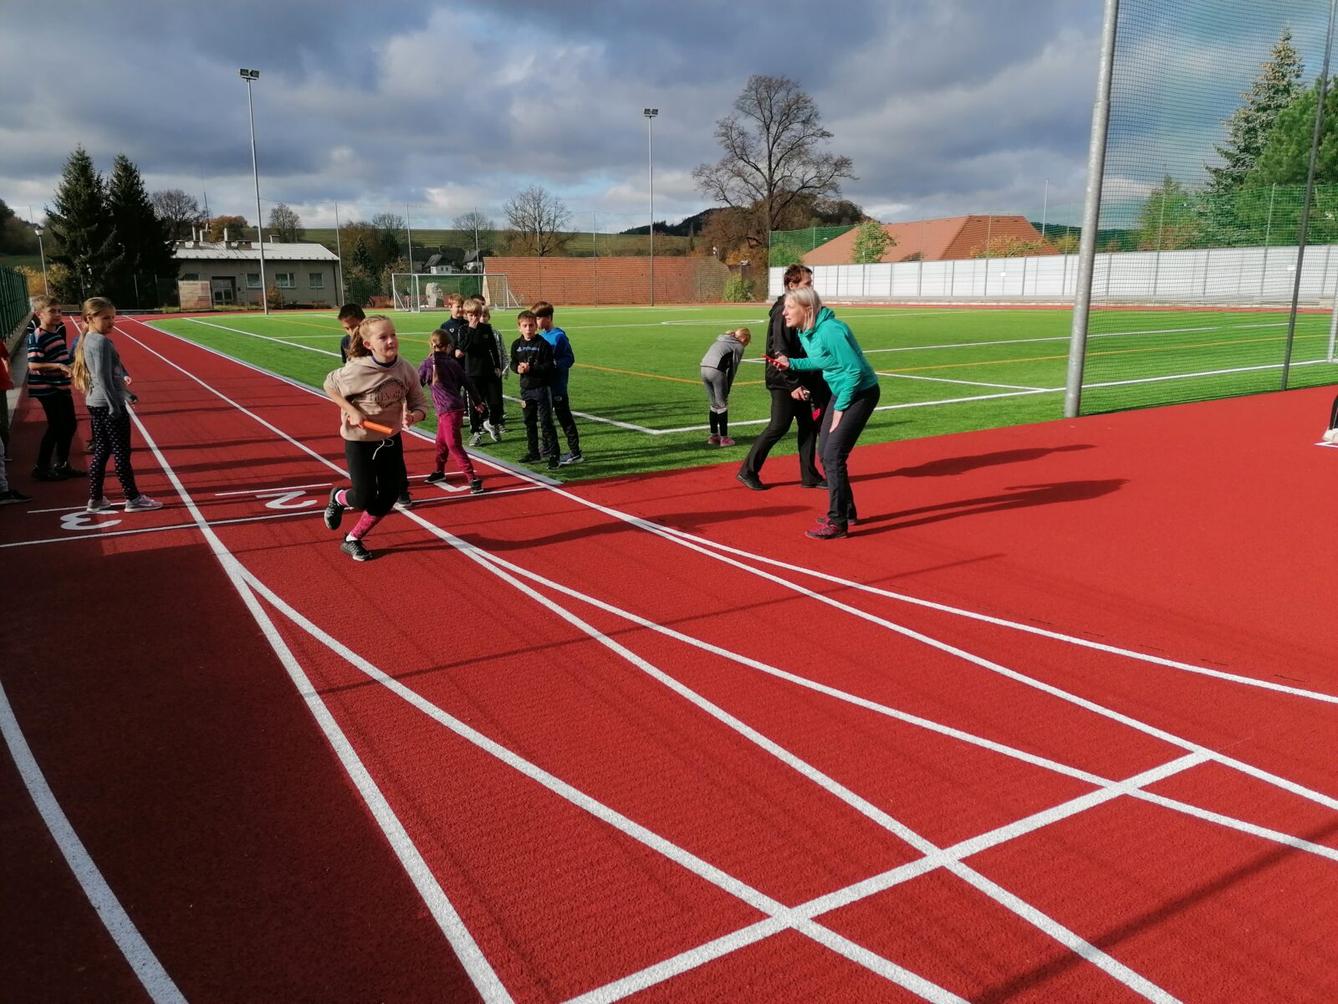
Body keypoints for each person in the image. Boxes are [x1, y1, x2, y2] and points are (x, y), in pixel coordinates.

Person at [772, 287, 880, 540]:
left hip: (859, 392)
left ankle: (837, 521)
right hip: (841, 390)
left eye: (789, 307)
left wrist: (842, 408)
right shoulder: (806, 332)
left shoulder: (830, 331)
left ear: (806, 309)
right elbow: (823, 362)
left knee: (832, 455)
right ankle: (847, 511)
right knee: (825, 452)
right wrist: (793, 364)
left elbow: (854, 371)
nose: (784, 312)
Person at [321, 315, 428, 561]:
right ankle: (338, 497)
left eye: (393, 335)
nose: (391, 341)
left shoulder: (405, 368)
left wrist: (414, 416)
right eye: (383, 337)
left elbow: (420, 403)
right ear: (368, 344)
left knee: (389, 496)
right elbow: (329, 385)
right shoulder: (356, 369)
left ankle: (352, 539)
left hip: (390, 440)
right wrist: (351, 410)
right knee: (363, 498)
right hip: (359, 441)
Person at [69, 297, 163, 513]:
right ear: (89, 318)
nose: (111, 322)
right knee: (121, 453)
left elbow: (107, 376)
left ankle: (96, 499)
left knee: (102, 450)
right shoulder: (101, 342)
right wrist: (115, 405)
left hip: (95, 402)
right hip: (107, 404)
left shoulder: (88, 339)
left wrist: (126, 393)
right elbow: (102, 376)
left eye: (113, 317)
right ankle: (133, 498)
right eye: (106, 318)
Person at [737, 265, 826, 491]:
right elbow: (780, 351)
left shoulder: (799, 308)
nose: (811, 287)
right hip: (783, 380)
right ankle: (747, 470)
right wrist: (793, 384)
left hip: (800, 376)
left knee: (808, 425)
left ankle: (810, 475)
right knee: (779, 426)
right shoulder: (782, 312)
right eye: (807, 283)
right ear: (792, 285)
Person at [338, 302, 413, 510]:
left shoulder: (395, 360)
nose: (350, 332)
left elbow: (400, 381)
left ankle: (401, 488)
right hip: (362, 426)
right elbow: (338, 384)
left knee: (393, 456)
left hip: (387, 420)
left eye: (353, 326)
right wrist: (352, 410)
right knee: (365, 493)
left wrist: (408, 409)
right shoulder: (348, 345)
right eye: (347, 328)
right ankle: (346, 497)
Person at [418, 329, 485, 494]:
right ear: (448, 347)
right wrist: (478, 402)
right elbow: (468, 383)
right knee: (440, 442)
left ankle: (472, 478)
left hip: (449, 410)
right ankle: (440, 471)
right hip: (452, 408)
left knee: (453, 444)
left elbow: (416, 385)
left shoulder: (427, 364)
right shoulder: (452, 363)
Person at [25, 295, 83, 481]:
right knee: (56, 426)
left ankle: (62, 464)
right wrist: (58, 367)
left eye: (59, 311)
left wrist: (72, 365)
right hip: (48, 388)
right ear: (38, 314)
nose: (58, 315)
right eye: (52, 311)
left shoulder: (56, 334)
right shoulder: (37, 336)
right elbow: (33, 365)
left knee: (70, 424)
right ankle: (42, 467)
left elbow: (61, 358)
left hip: (60, 386)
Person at [533, 301, 582, 464]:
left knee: (564, 418)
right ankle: (546, 447)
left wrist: (554, 364)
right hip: (544, 386)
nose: (536, 322)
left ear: (548, 318)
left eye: (538, 318)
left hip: (558, 386)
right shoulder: (539, 337)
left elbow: (569, 358)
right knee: (545, 418)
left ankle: (576, 452)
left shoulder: (559, 336)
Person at [510, 310, 559, 471]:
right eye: (525, 326)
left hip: (541, 389)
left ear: (536, 327)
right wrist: (517, 368)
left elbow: (549, 366)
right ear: (519, 328)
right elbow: (512, 363)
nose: (528, 329)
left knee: (546, 423)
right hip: (526, 390)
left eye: (531, 325)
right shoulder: (516, 345)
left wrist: (531, 368)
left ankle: (554, 455)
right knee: (529, 422)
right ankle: (533, 452)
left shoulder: (542, 344)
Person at [457, 297, 504, 445]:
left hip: (489, 371)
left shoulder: (486, 329)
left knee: (496, 402)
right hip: (472, 372)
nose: (474, 318)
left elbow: (493, 348)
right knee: (475, 404)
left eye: (476, 315)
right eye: (471, 315)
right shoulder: (463, 330)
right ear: (466, 315)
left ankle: (491, 422)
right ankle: (476, 432)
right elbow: (463, 348)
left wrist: (497, 365)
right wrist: (471, 329)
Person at [699, 327, 751, 446]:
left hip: (703, 369)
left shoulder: (722, 340)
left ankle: (713, 436)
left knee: (714, 404)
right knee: (722, 405)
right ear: (743, 338)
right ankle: (724, 438)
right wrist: (728, 387)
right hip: (716, 371)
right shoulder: (738, 346)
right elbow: (733, 369)